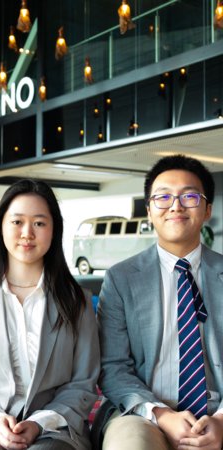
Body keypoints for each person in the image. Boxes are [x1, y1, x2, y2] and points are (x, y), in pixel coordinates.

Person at [0, 179, 100, 450]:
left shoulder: (78, 302)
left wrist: (40, 422)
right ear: (1, 227)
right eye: (17, 222)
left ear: (53, 231)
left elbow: (83, 383)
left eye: (39, 223)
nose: (27, 233)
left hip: (56, 427)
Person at [93, 154, 223, 450]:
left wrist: (221, 420)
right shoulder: (120, 278)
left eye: (190, 196)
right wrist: (162, 415)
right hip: (142, 412)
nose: (176, 205)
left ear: (207, 211)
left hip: (216, 412)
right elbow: (113, 367)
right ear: (150, 211)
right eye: (163, 197)